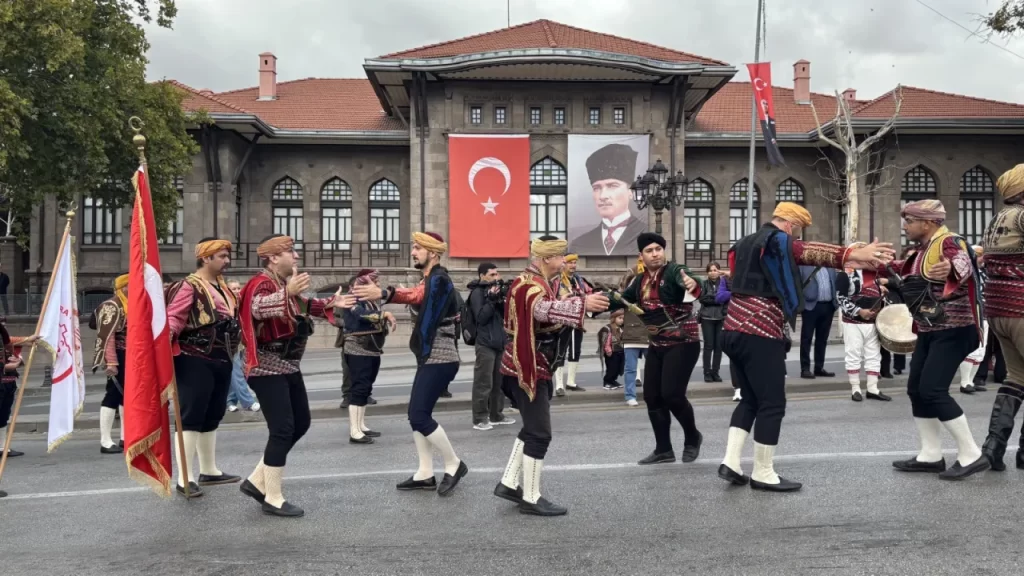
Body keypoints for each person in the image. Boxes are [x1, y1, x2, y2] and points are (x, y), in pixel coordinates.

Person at [717, 202, 894, 492]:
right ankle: (763, 472)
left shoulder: (743, 242)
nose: (796, 236)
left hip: (733, 327)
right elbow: (804, 251)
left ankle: (732, 462)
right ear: (789, 224)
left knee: (750, 399)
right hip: (760, 331)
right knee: (773, 403)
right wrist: (850, 254)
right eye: (796, 230)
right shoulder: (776, 239)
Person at [238, 234, 353, 517]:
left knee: (301, 422)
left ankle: (256, 480)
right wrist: (286, 292)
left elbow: (304, 306)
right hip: (266, 367)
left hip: (288, 364)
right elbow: (257, 309)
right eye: (291, 252)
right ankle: (272, 497)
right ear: (274, 257)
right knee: (282, 429)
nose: (297, 257)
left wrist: (331, 302)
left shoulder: (280, 284)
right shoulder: (259, 283)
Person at [493, 235, 609, 516]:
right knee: (540, 434)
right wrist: (581, 306)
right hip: (527, 367)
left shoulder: (541, 281)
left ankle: (509, 482)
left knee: (530, 429)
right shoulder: (528, 286)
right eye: (560, 256)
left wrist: (580, 301)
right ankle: (531, 498)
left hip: (529, 364)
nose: (564, 261)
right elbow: (542, 311)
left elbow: (551, 306)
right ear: (546, 259)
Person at [351, 232, 469, 496]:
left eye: (417, 248)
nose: (412, 252)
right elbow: (419, 293)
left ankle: (454, 463)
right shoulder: (430, 279)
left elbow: (417, 296)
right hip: (429, 356)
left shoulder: (440, 279)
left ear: (433, 253)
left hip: (441, 357)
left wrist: (384, 292)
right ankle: (425, 473)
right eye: (413, 247)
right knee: (416, 415)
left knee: (418, 415)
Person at [886, 199, 988, 480]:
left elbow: (962, 263)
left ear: (928, 223)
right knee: (917, 389)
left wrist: (951, 270)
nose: (905, 226)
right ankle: (930, 455)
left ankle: (971, 454)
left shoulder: (949, 243)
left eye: (909, 221)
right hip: (931, 329)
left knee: (932, 390)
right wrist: (874, 260)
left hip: (954, 329)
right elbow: (904, 270)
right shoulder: (921, 250)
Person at [612, 232, 704, 466]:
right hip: (657, 343)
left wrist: (694, 284)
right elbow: (623, 299)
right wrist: (595, 301)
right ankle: (663, 449)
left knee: (672, 395)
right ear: (641, 256)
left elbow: (692, 281)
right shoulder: (640, 280)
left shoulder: (674, 271)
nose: (655, 254)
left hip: (683, 341)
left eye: (658, 249)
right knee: (652, 396)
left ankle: (693, 437)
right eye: (649, 251)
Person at [164, 238, 244, 498]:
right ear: (206, 258)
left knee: (213, 414)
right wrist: (163, 345)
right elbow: (173, 317)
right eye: (221, 256)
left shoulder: (222, 287)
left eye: (226, 256)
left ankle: (209, 470)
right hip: (193, 357)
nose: (227, 260)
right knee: (191, 417)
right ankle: (184, 478)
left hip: (222, 356)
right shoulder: (189, 286)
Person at [980, 164, 1024, 471]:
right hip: (1021, 306)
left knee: (1017, 377)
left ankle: (993, 448)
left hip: (998, 309)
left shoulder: (997, 219)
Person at [339, 268, 395, 444]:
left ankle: (361, 425)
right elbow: (360, 315)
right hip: (358, 348)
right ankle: (354, 431)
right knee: (359, 387)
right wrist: (384, 314)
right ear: (362, 282)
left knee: (366, 387)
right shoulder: (352, 297)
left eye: (377, 281)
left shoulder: (370, 300)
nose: (377, 285)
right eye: (374, 281)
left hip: (371, 348)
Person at [570, 144, 647, 256]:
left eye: (612, 186)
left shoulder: (646, 236)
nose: (603, 196)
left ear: (630, 192)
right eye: (597, 188)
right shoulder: (579, 243)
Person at [467, 262, 514, 431]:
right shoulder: (477, 293)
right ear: (482, 276)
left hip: (500, 342)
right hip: (485, 343)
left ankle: (496, 415)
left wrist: (503, 298)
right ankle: (479, 418)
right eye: (492, 275)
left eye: (497, 274)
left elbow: (505, 315)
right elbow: (481, 317)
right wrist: (491, 301)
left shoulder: (496, 292)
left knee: (498, 382)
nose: (496, 277)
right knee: (483, 382)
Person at [835, 268, 891, 402]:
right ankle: (855, 389)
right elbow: (841, 298)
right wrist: (859, 311)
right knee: (853, 354)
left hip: (872, 322)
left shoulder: (874, 275)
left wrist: (882, 292)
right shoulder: (844, 275)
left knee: (874, 355)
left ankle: (872, 388)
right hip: (853, 322)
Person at [91, 274, 129, 453]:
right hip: (118, 355)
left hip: (131, 355)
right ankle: (105, 440)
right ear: (124, 287)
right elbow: (107, 337)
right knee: (113, 394)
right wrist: (111, 362)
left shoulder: (129, 305)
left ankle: (125, 436)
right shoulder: (111, 306)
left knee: (126, 396)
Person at [552, 254, 592, 395]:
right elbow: (550, 298)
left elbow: (589, 293)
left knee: (575, 350)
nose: (573, 265)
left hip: (577, 321)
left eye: (575, 263)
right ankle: (559, 385)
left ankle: (571, 382)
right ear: (564, 264)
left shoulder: (579, 280)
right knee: (560, 351)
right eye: (570, 263)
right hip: (561, 322)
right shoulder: (556, 280)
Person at [0, 318, 35, 458]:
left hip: (8, 382)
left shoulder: (5, 337)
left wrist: (19, 361)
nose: (3, 325)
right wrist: (9, 366)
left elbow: (18, 340)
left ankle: (2, 447)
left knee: (3, 416)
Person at [225, 281, 260, 413]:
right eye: (233, 288)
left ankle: (230, 401)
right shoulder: (225, 303)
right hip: (229, 343)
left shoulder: (242, 304)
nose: (237, 290)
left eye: (239, 288)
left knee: (238, 373)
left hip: (242, 342)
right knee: (237, 373)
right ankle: (248, 402)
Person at [798, 263, 838, 379]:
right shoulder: (803, 267)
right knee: (806, 338)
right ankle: (805, 369)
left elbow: (834, 284)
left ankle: (819, 368)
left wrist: (835, 304)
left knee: (822, 339)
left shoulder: (830, 267)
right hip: (810, 306)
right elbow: (798, 285)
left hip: (828, 306)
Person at [959, 246, 988, 395]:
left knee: (981, 349)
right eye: (980, 256)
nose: (983, 259)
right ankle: (964, 382)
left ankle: (971, 380)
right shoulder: (967, 273)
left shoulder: (983, 273)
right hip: (972, 314)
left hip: (984, 314)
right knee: (973, 348)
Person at [617, 264, 647, 407]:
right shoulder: (626, 295)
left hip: (649, 335)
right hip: (631, 335)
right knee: (630, 368)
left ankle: (653, 394)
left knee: (655, 367)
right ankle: (630, 395)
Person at [699, 263, 727, 383]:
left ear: (719, 271)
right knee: (708, 346)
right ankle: (707, 372)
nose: (713, 272)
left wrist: (713, 299)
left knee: (718, 347)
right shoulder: (704, 284)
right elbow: (702, 299)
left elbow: (726, 299)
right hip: (707, 318)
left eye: (715, 270)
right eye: (710, 270)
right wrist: (717, 299)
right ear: (707, 272)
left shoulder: (724, 283)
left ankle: (715, 372)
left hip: (721, 317)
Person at [715, 274, 741, 401]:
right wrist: (736, 293)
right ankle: (738, 388)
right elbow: (719, 297)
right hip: (731, 319)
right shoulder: (725, 279)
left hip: (750, 319)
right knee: (735, 355)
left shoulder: (752, 274)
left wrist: (730, 294)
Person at [598, 310, 626, 389]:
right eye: (620, 318)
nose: (622, 320)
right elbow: (606, 341)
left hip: (620, 351)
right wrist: (608, 350)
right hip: (612, 353)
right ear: (613, 318)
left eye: (623, 318)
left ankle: (613, 381)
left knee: (618, 369)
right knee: (612, 368)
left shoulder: (621, 328)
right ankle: (607, 382)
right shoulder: (607, 328)